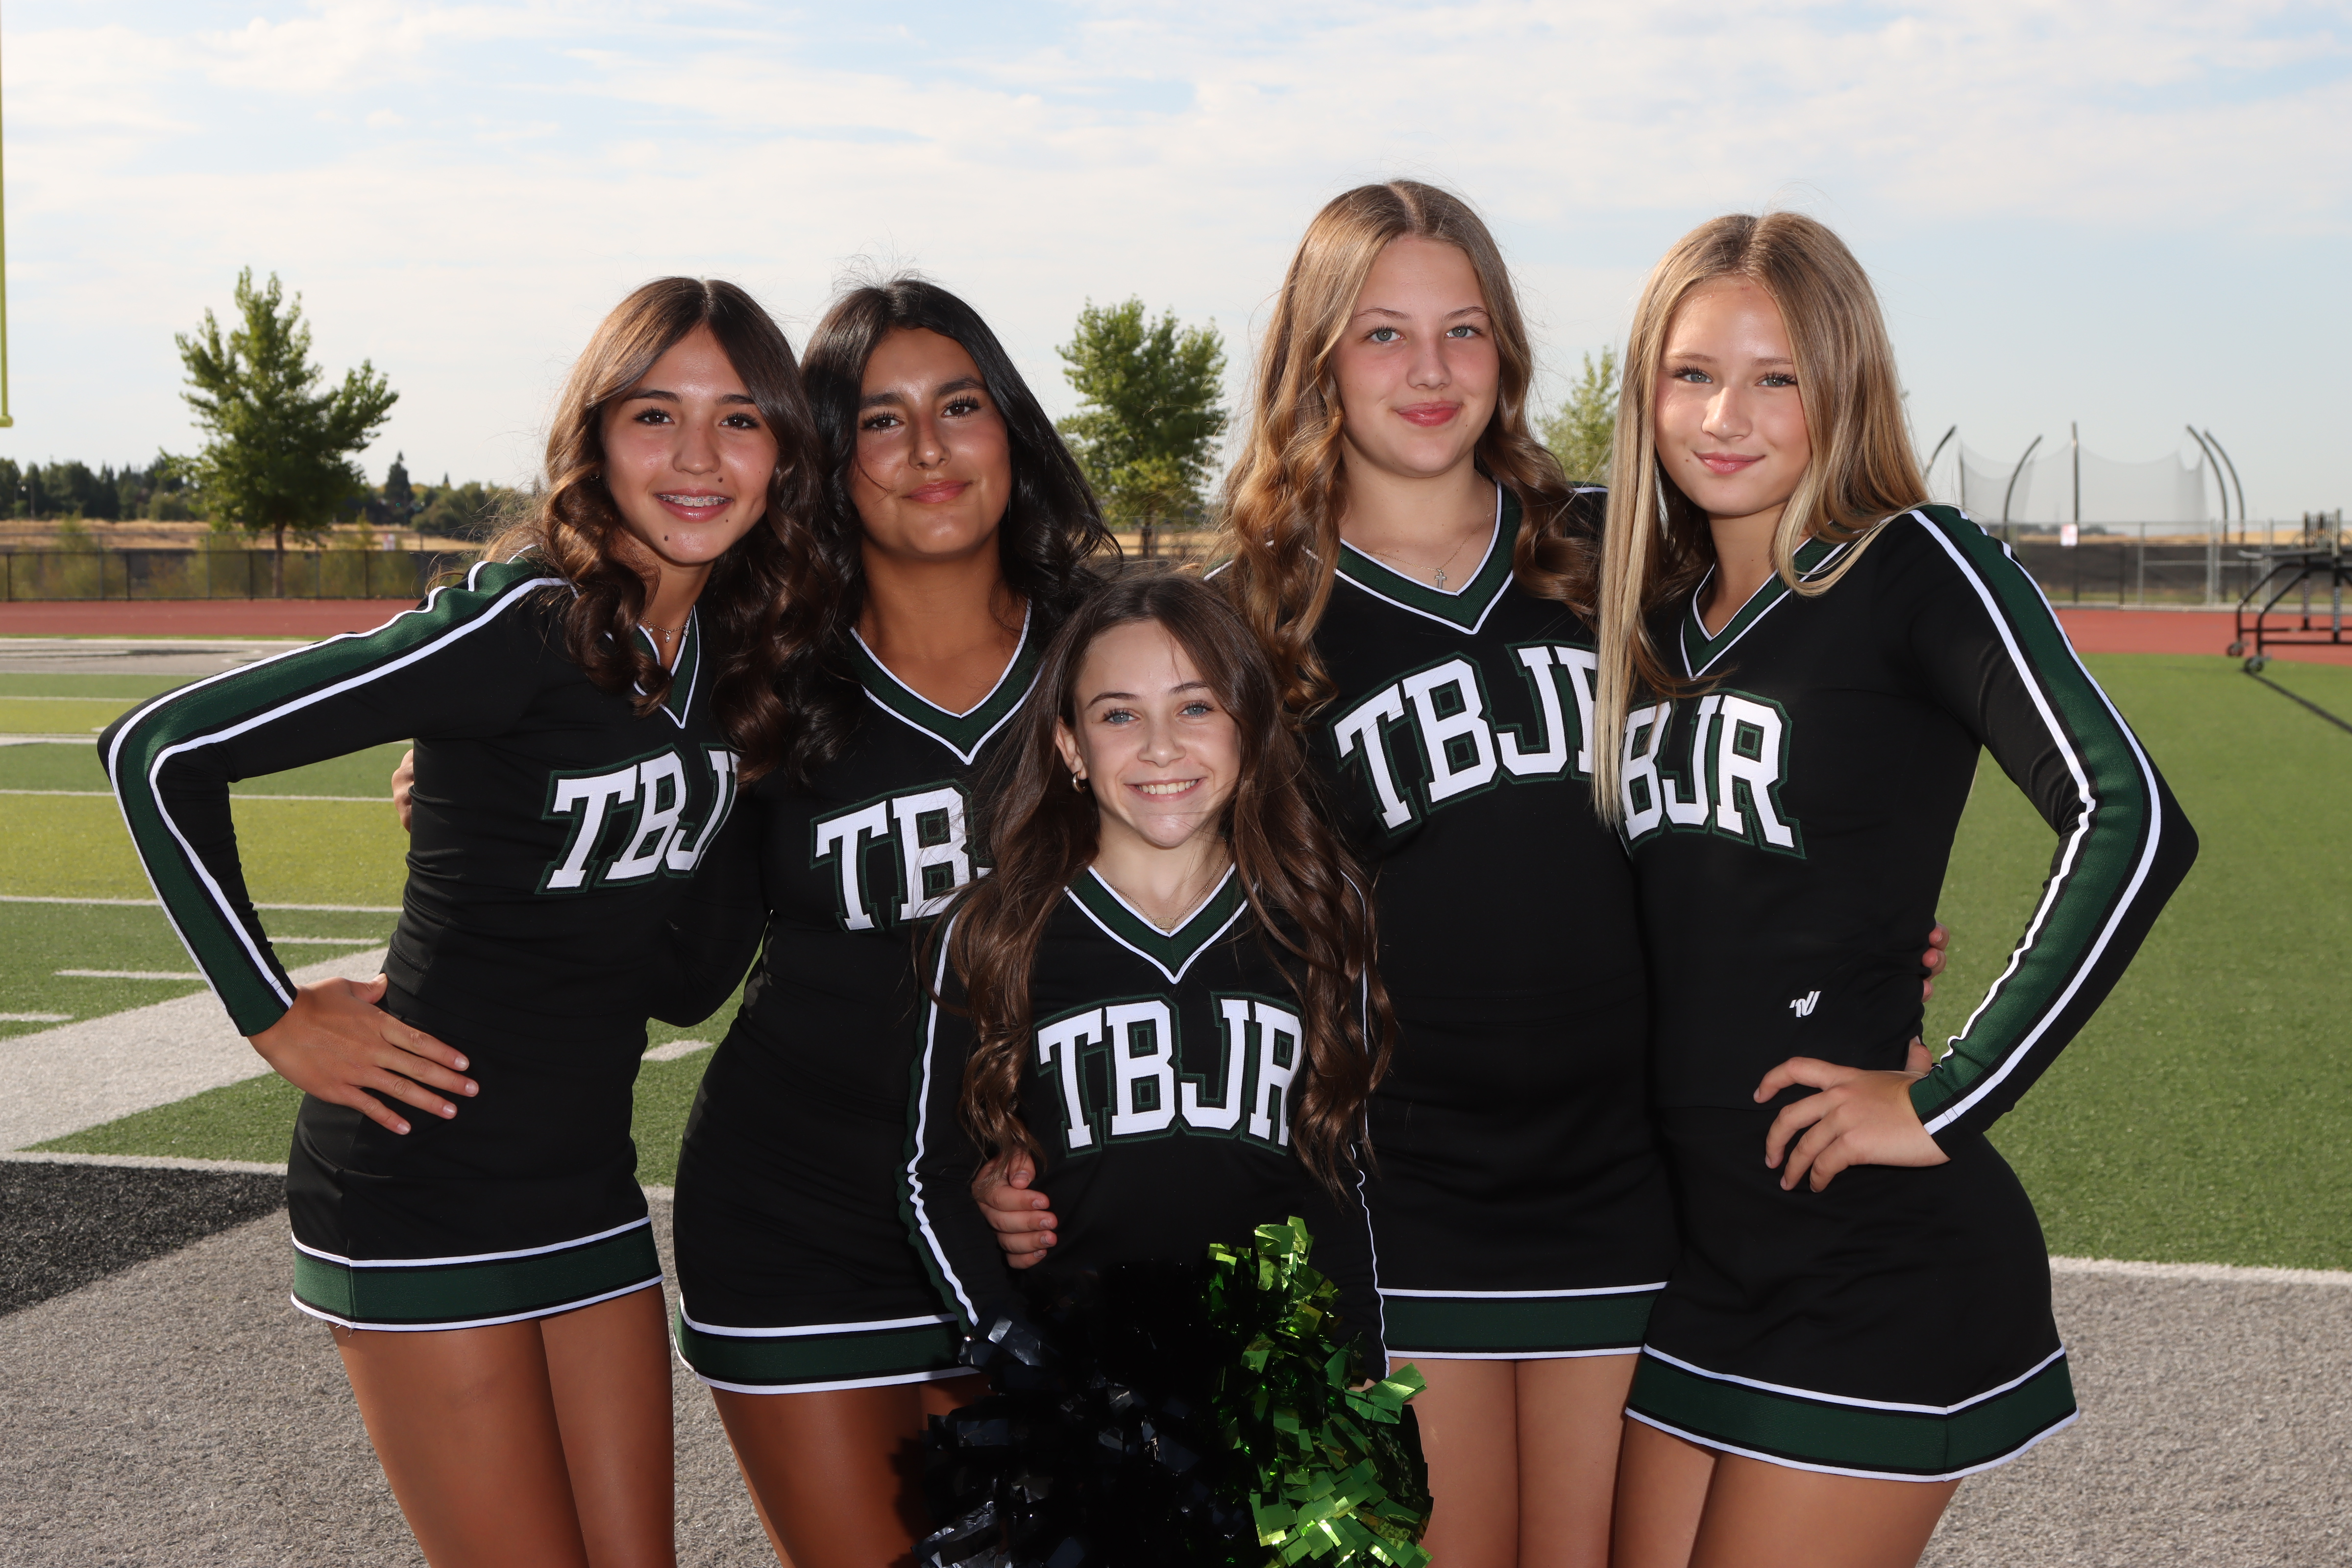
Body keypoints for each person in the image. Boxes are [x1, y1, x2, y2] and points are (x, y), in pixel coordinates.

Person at [101, 277, 820, 1568]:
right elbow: (160, 752)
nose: (699, 458)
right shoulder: (522, 623)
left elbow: (682, 982)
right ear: (596, 437)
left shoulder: (730, 661)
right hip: (420, 1180)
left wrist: (728, 809)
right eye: (656, 415)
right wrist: (275, 1015)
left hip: (587, 1182)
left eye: (740, 420)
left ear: (782, 455)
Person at [1592, 212, 2197, 1568]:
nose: (1726, 417)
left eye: (1778, 377)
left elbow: (2131, 816)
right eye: (1692, 374)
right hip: (1701, 1258)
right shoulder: (1648, 612)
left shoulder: (1912, 565)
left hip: (1867, 1259)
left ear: (1846, 386)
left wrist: (1946, 1096)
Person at [662, 277, 1117, 1568]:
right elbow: (684, 976)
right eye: (880, 420)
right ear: (829, 460)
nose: (927, 448)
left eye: (959, 406)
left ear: (1010, 430)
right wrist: (507, 805)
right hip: (798, 1219)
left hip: (1049, 1224)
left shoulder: (1118, 659)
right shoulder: (767, 673)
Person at [906, 572, 1412, 1560]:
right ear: (1069, 746)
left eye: (1196, 707)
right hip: (1083, 1403)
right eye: (1118, 715)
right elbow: (932, 1173)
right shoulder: (997, 927)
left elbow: (1343, 1170)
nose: (1163, 746)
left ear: (1249, 727)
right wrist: (1016, 1351)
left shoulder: (1319, 914)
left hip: (1279, 1385)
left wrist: (1359, 1373)